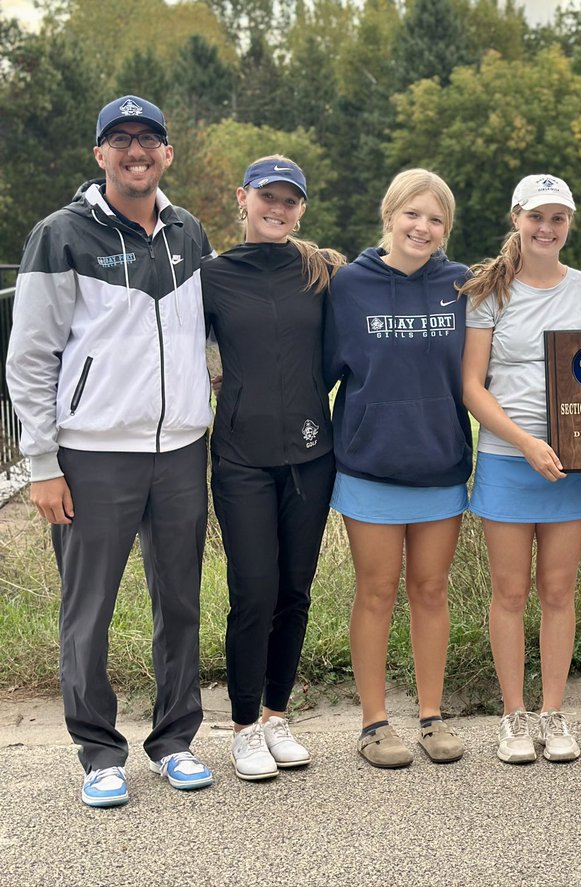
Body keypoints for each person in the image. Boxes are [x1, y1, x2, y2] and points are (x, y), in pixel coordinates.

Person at [5, 95, 214, 807]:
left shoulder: (188, 230)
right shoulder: (60, 235)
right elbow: (29, 358)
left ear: (167, 153)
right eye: (119, 139)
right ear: (99, 154)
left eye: (148, 139)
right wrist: (43, 462)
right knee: (87, 609)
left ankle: (176, 738)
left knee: (180, 602)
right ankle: (99, 750)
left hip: (183, 450)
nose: (135, 151)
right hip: (93, 457)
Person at [202, 156, 345, 780]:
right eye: (268, 198)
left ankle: (275, 714)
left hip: (312, 455)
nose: (278, 209)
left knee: (294, 590)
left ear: (301, 209)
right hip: (240, 459)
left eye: (290, 201)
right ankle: (241, 727)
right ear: (244, 199)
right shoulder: (211, 277)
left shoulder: (323, 272)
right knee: (253, 593)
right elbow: (177, 355)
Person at [460, 174, 581, 764]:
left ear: (568, 224)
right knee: (509, 591)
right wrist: (526, 442)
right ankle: (513, 717)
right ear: (517, 217)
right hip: (507, 457)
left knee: (558, 590)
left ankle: (553, 713)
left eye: (558, 219)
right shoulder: (487, 292)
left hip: (571, 467)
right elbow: (473, 387)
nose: (547, 230)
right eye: (537, 218)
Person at [324, 168, 471, 768]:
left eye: (436, 219)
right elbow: (323, 371)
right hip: (370, 466)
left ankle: (433, 718)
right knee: (377, 592)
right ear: (390, 215)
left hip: (440, 464)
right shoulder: (348, 285)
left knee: (431, 590)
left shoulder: (463, 285)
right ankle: (374, 723)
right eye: (413, 214)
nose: (423, 227)